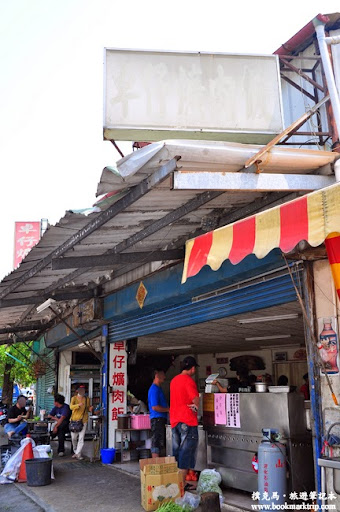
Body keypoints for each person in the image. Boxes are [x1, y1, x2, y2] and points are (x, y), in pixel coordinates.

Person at [170, 356, 199, 490]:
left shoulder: (174, 380)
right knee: (186, 454)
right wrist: (196, 408)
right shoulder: (188, 381)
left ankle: (177, 483)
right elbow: (195, 399)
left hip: (175, 421)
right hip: (187, 421)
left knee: (177, 453)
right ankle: (179, 487)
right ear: (192, 368)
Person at [148, 369, 169, 458]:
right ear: (157, 375)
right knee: (156, 441)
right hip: (157, 419)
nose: (164, 377)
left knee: (159, 441)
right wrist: (168, 409)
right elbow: (155, 407)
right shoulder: (154, 389)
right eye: (163, 374)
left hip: (161, 418)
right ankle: (155, 463)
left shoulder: (158, 388)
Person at [70, 385, 92, 460]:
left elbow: (88, 408)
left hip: (83, 420)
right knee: (73, 438)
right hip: (74, 420)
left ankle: (77, 453)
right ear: (77, 391)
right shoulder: (74, 398)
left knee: (81, 438)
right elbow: (71, 407)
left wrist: (90, 408)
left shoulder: (86, 399)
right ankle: (76, 451)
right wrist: (78, 405)